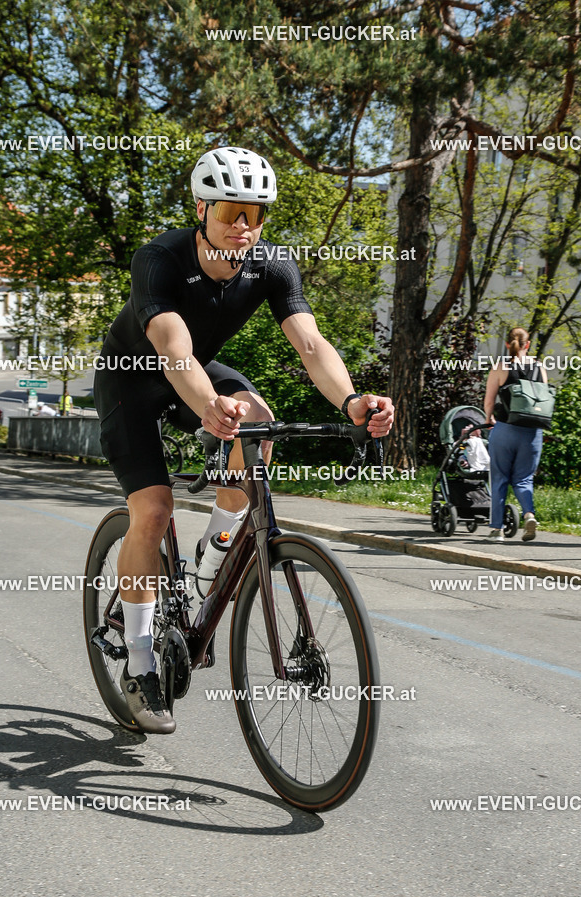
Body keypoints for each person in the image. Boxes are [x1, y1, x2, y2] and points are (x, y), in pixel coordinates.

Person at [94, 145, 394, 733]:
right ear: (202, 207)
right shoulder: (158, 259)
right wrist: (209, 406)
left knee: (258, 415)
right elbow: (173, 347)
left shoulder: (272, 266)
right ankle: (139, 661)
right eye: (233, 211)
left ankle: (210, 562)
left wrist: (354, 401)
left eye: (257, 215)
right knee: (152, 512)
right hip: (134, 382)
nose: (244, 227)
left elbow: (310, 345)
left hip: (197, 376)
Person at [484, 327, 547, 543]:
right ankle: (529, 514)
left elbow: (490, 401)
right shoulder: (539, 367)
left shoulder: (500, 367)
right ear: (527, 344)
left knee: (500, 478)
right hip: (532, 432)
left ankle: (497, 530)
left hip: (505, 429)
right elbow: (544, 399)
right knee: (524, 479)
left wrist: (488, 419)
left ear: (508, 345)